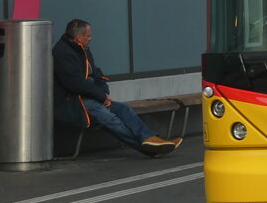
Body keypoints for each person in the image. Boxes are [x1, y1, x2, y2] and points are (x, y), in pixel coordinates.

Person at [52, 19, 182, 157]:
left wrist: (104, 94)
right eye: (88, 35)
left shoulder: (83, 50)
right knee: (110, 118)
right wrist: (101, 97)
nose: (91, 38)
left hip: (91, 97)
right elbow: (75, 83)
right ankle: (148, 148)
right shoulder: (62, 52)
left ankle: (149, 139)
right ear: (79, 37)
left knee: (123, 109)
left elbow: (97, 75)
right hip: (73, 101)